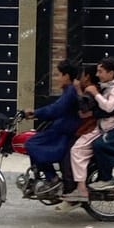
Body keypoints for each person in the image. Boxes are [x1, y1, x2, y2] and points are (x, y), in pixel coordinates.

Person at [61, 56, 114, 203]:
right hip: (100, 127)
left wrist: (95, 94)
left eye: (101, 71)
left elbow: (109, 107)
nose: (98, 74)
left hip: (105, 129)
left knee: (76, 150)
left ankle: (82, 189)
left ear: (110, 73)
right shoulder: (107, 87)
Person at [24, 59, 80, 195]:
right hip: (59, 129)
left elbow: (56, 109)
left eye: (59, 75)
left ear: (67, 76)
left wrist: (35, 112)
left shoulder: (71, 91)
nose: (58, 78)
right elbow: (55, 108)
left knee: (31, 144)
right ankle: (42, 176)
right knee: (32, 139)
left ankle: (52, 178)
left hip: (62, 132)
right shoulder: (68, 90)